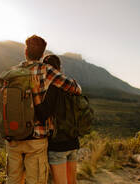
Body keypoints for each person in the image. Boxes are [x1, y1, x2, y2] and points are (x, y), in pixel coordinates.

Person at [0, 35, 81, 184]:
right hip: (36, 140)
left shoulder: (11, 73)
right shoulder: (46, 70)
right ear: (42, 54)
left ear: (26, 52)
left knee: (13, 180)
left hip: (12, 137)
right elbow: (75, 88)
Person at [43, 55, 80, 184]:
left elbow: (43, 113)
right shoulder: (71, 86)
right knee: (72, 182)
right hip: (73, 142)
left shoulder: (51, 88)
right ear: (60, 67)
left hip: (58, 145)